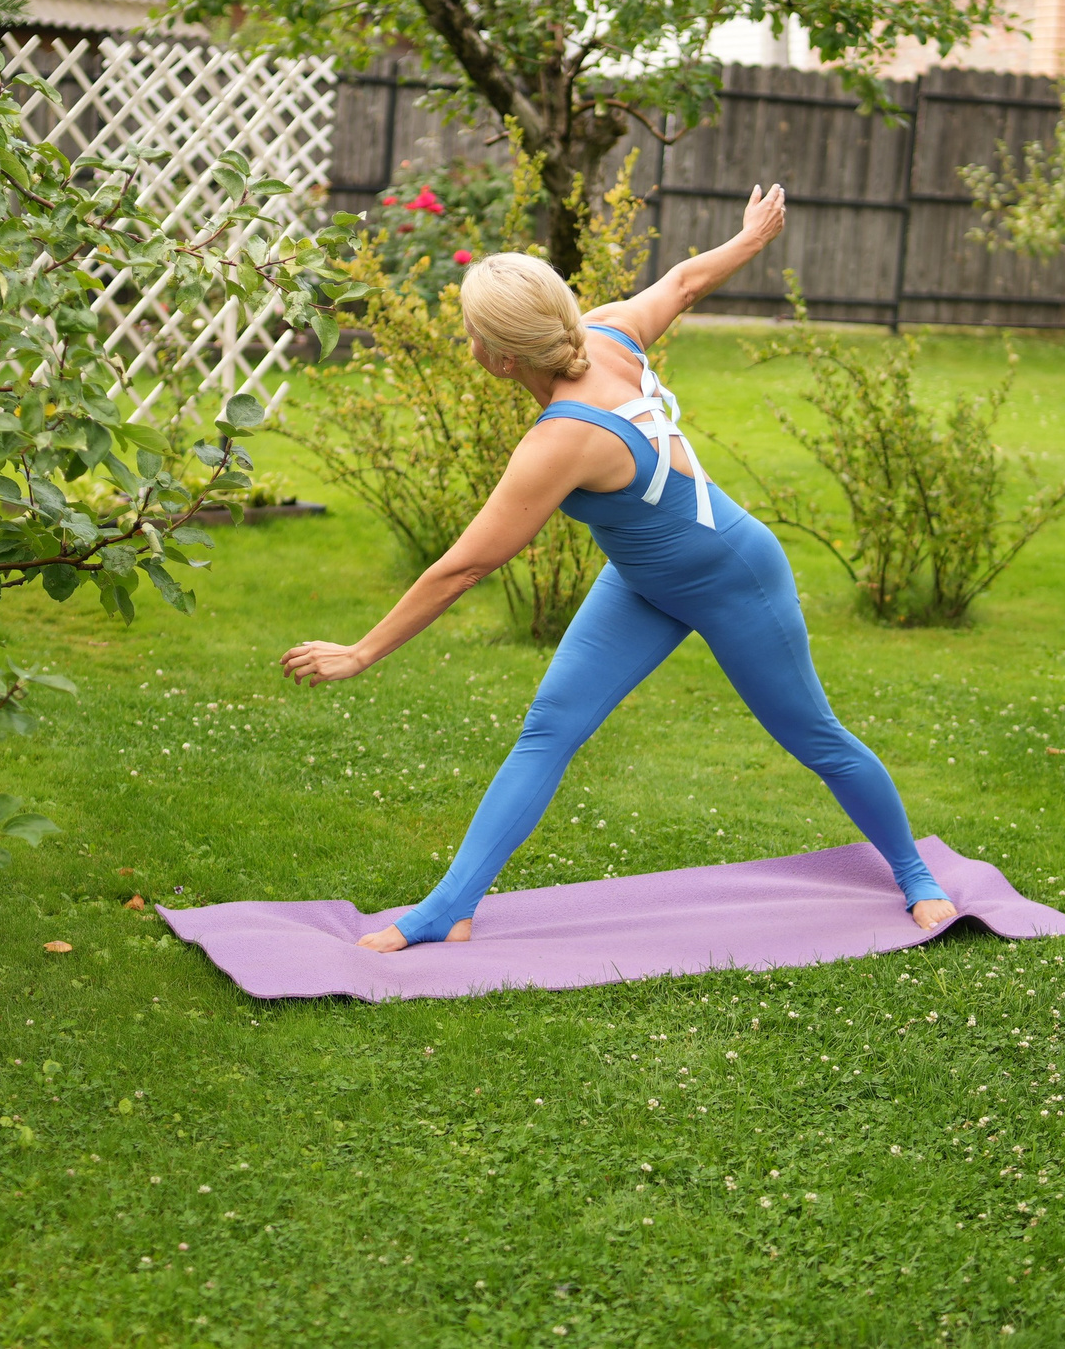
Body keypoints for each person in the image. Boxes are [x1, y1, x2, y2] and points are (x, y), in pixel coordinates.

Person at [280, 185, 958, 952]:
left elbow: (462, 568)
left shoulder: (562, 437)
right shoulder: (602, 328)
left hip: (735, 577)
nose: (465, 342)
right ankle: (448, 907)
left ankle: (915, 875)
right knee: (550, 726)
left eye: (471, 332)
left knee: (813, 736)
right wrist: (748, 239)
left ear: (502, 357)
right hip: (643, 579)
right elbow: (683, 283)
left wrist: (362, 650)